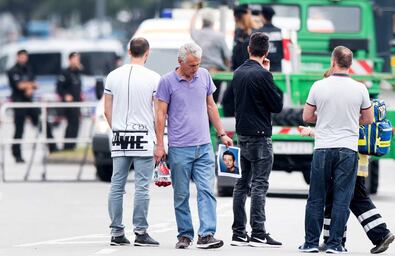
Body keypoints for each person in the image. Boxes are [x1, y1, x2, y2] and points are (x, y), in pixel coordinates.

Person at [155, 42, 233, 249]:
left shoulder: (204, 76)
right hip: (180, 148)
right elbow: (160, 114)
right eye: (191, 65)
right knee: (181, 194)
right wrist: (160, 145)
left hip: (204, 145)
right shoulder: (166, 82)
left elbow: (211, 105)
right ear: (180, 62)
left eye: (198, 64)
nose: (195, 69)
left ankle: (206, 234)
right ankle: (184, 235)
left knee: (207, 190)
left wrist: (222, 133)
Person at [299, 46, 374, 253]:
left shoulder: (318, 86)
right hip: (348, 150)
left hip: (323, 148)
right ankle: (335, 245)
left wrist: (322, 117)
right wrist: (351, 119)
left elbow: (307, 117)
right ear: (350, 65)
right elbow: (368, 119)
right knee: (342, 198)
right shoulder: (360, 88)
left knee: (316, 197)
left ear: (333, 62)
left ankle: (311, 244)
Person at [104, 37, 160, 247]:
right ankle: (141, 231)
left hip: (120, 136)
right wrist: (159, 138)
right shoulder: (154, 78)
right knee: (142, 186)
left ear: (129, 51)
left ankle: (117, 232)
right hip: (143, 136)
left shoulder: (112, 76)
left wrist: (116, 129)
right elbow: (157, 111)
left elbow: (106, 110)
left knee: (117, 185)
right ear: (148, 52)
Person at [231, 32, 283, 247]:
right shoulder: (263, 75)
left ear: (249, 49)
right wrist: (266, 72)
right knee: (259, 185)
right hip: (260, 136)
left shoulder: (238, 73)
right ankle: (259, 233)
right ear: (266, 52)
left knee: (241, 185)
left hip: (241, 134)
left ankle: (238, 233)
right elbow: (277, 105)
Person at [7, 49, 57, 163]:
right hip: (19, 102)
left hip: (29, 101)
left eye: (25, 56)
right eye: (21, 56)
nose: (23, 58)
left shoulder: (29, 69)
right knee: (19, 130)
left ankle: (53, 149)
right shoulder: (12, 70)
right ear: (17, 57)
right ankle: (17, 154)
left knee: (43, 122)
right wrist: (29, 86)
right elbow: (19, 85)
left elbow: (35, 84)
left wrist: (28, 86)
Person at [190, 5, 231, 102]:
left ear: (202, 21)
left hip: (199, 73)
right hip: (216, 73)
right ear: (213, 22)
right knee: (213, 102)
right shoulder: (219, 36)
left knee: (201, 102)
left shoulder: (197, 35)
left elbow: (191, 28)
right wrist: (227, 69)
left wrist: (196, 11)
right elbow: (227, 56)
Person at [57, 52, 83, 150]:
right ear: (70, 59)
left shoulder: (78, 72)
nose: (77, 61)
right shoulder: (65, 72)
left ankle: (72, 145)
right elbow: (59, 88)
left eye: (78, 59)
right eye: (75, 59)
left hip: (77, 103)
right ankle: (67, 146)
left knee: (76, 124)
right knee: (71, 124)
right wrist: (65, 95)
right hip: (68, 104)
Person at [254, 6, 283, 72]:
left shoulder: (257, 33)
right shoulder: (280, 32)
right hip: (277, 69)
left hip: (261, 67)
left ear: (262, 16)